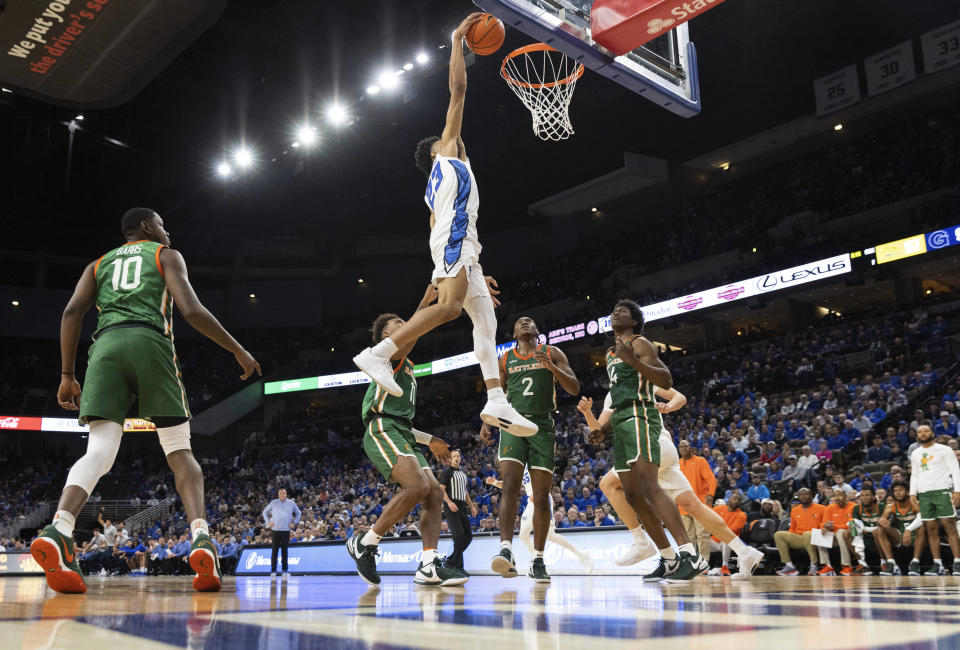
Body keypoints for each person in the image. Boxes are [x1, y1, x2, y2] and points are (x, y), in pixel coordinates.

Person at [30, 208, 260, 594]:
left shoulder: (97, 264)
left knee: (100, 451)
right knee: (178, 449)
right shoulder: (164, 254)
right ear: (145, 227)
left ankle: (60, 528)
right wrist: (237, 350)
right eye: (162, 224)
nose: (167, 230)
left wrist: (68, 376)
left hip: (104, 349)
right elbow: (191, 310)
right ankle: (201, 538)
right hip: (149, 341)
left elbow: (72, 311)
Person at [352, 12, 535, 440]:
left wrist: (469, 267)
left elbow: (441, 231)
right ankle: (378, 354)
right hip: (454, 240)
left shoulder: (436, 189)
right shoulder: (447, 154)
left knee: (485, 323)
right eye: (444, 138)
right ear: (437, 151)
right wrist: (457, 42)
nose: (451, 135)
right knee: (451, 308)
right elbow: (459, 89)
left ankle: (495, 399)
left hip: (459, 242)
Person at [346, 295, 468, 587]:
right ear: (387, 336)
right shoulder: (385, 354)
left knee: (434, 493)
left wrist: (431, 440)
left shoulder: (407, 363)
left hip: (400, 430)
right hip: (381, 427)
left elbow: (403, 421)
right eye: (398, 325)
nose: (406, 326)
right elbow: (411, 333)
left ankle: (428, 565)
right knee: (417, 486)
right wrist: (425, 305)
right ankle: (366, 542)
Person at [579, 391, 762, 580]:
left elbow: (680, 399)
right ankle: (744, 552)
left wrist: (668, 407)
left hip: (649, 445)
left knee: (609, 484)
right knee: (693, 506)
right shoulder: (614, 391)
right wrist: (587, 413)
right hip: (664, 448)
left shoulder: (638, 375)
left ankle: (643, 542)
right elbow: (598, 431)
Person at [583, 300, 703, 581]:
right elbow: (621, 397)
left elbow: (665, 376)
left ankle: (690, 555)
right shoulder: (612, 352)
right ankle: (669, 558)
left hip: (640, 416)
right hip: (621, 422)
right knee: (634, 495)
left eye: (621, 312)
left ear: (634, 322)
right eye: (612, 311)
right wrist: (604, 429)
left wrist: (633, 360)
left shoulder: (640, 343)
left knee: (649, 486)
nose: (615, 313)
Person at [479, 316, 579, 582]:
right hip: (513, 424)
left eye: (529, 321)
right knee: (510, 484)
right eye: (519, 322)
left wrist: (553, 369)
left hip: (543, 427)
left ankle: (538, 559)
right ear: (513, 332)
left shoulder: (552, 352)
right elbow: (496, 395)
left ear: (537, 330)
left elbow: (574, 387)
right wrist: (486, 419)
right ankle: (506, 550)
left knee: (542, 494)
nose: (524, 323)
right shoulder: (505, 359)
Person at [485, 468, 593, 579]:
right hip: (532, 499)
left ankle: (581, 555)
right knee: (526, 534)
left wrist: (539, 492)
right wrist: (494, 482)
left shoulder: (532, 459)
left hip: (541, 497)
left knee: (548, 535)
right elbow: (511, 485)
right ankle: (539, 564)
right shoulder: (520, 466)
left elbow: (546, 475)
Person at [909, 425, 960, 575]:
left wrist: (957, 490)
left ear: (932, 433)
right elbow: (915, 475)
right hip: (924, 494)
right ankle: (937, 564)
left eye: (925, 431)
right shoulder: (916, 453)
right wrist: (913, 494)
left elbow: (955, 470)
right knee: (930, 529)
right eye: (919, 432)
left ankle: (957, 562)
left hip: (942, 490)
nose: (922, 434)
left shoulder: (944, 450)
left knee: (949, 526)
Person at [876, 480, 926, 576]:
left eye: (900, 490)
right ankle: (891, 563)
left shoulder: (916, 504)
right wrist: (881, 521)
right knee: (879, 529)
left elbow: (922, 519)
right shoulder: (890, 507)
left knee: (922, 527)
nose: (897, 492)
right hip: (900, 537)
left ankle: (915, 562)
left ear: (908, 492)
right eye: (895, 491)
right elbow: (883, 519)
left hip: (918, 536)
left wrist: (909, 530)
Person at [677, 439, 717, 560]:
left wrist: (710, 493)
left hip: (700, 503)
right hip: (683, 504)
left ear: (691, 448)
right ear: (679, 450)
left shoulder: (700, 461)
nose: (684, 448)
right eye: (681, 446)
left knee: (702, 534)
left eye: (686, 446)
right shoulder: (677, 464)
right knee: (688, 536)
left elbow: (711, 479)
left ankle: (704, 563)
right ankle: (691, 563)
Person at [439, 450, 477, 572]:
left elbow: (464, 492)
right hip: (451, 506)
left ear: (460, 459)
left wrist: (471, 506)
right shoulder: (446, 473)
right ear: (450, 459)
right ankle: (458, 567)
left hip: (462, 506)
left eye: (458, 456)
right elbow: (441, 490)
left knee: (468, 536)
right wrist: (449, 502)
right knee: (459, 535)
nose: (456, 457)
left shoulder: (462, 474)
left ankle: (451, 560)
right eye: (454, 456)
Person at [774, 488, 826, 576]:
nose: (803, 496)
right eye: (801, 494)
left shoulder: (822, 508)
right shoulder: (794, 510)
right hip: (800, 537)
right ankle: (789, 566)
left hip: (816, 537)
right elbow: (792, 529)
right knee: (778, 534)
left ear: (812, 496)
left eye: (806, 494)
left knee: (807, 534)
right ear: (798, 497)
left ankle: (814, 565)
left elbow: (825, 525)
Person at [262, 488, 301, 578]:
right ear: (278, 494)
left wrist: (294, 522)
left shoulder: (291, 503)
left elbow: (298, 513)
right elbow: (265, 512)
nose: (283, 494)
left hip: (286, 531)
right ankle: (273, 571)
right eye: (281, 493)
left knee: (284, 551)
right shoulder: (273, 502)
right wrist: (268, 522)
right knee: (274, 551)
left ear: (286, 494)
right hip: (275, 530)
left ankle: (284, 571)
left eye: (284, 493)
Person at [706, 493, 748, 576]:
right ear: (729, 500)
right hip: (714, 541)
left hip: (729, 543)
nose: (735, 501)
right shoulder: (718, 508)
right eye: (734, 498)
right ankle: (698, 565)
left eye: (738, 500)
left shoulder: (741, 515)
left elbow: (732, 530)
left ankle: (725, 566)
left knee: (727, 537)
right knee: (701, 538)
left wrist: (715, 529)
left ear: (740, 503)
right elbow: (708, 518)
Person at [816, 488, 854, 575]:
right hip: (835, 536)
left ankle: (847, 565)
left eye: (840, 495)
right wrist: (824, 527)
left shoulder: (853, 507)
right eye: (835, 495)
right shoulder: (829, 508)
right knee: (819, 534)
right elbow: (823, 523)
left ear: (846, 497)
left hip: (849, 536)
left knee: (841, 532)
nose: (837, 498)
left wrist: (834, 526)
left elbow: (850, 525)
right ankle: (827, 566)